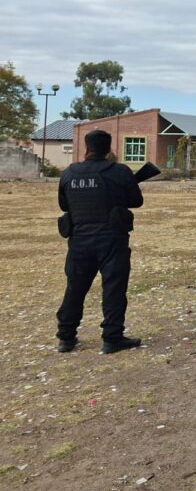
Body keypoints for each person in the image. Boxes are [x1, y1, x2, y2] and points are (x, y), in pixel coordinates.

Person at [55, 129, 144, 354]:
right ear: (109, 149)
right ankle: (112, 338)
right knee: (113, 288)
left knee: (75, 288)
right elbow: (135, 200)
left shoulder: (69, 173)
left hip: (79, 240)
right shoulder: (120, 172)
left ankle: (66, 337)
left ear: (86, 148)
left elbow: (65, 205)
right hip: (111, 239)